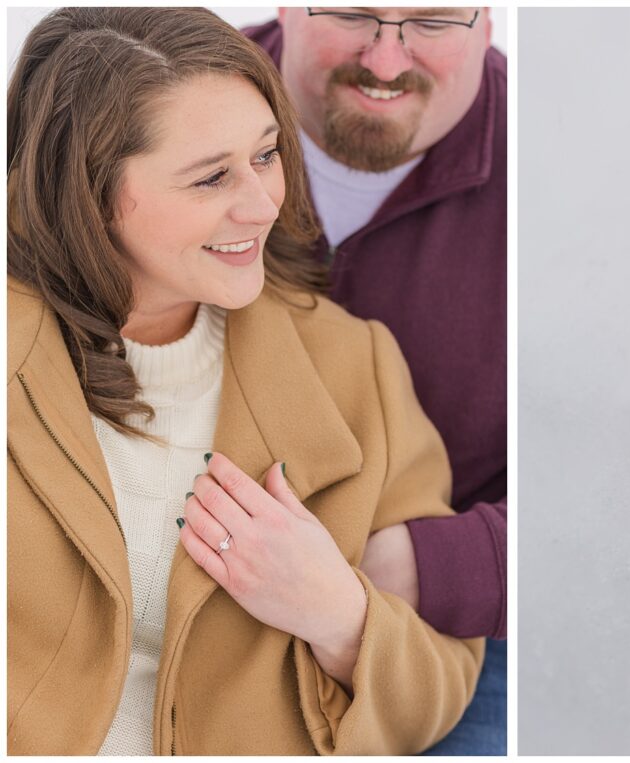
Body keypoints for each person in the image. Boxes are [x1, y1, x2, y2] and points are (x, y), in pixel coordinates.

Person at [7, 7, 482, 755]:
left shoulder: (355, 365)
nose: (264, 205)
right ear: (90, 193)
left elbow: (440, 689)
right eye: (211, 177)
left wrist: (341, 616)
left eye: (266, 155)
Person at [245, 10, 507, 753]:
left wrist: (434, 566)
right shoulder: (157, 105)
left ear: (487, 22)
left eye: (430, 21)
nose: (387, 61)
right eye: (355, 13)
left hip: (446, 612)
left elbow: (617, 473)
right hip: (190, 573)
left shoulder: (559, 167)